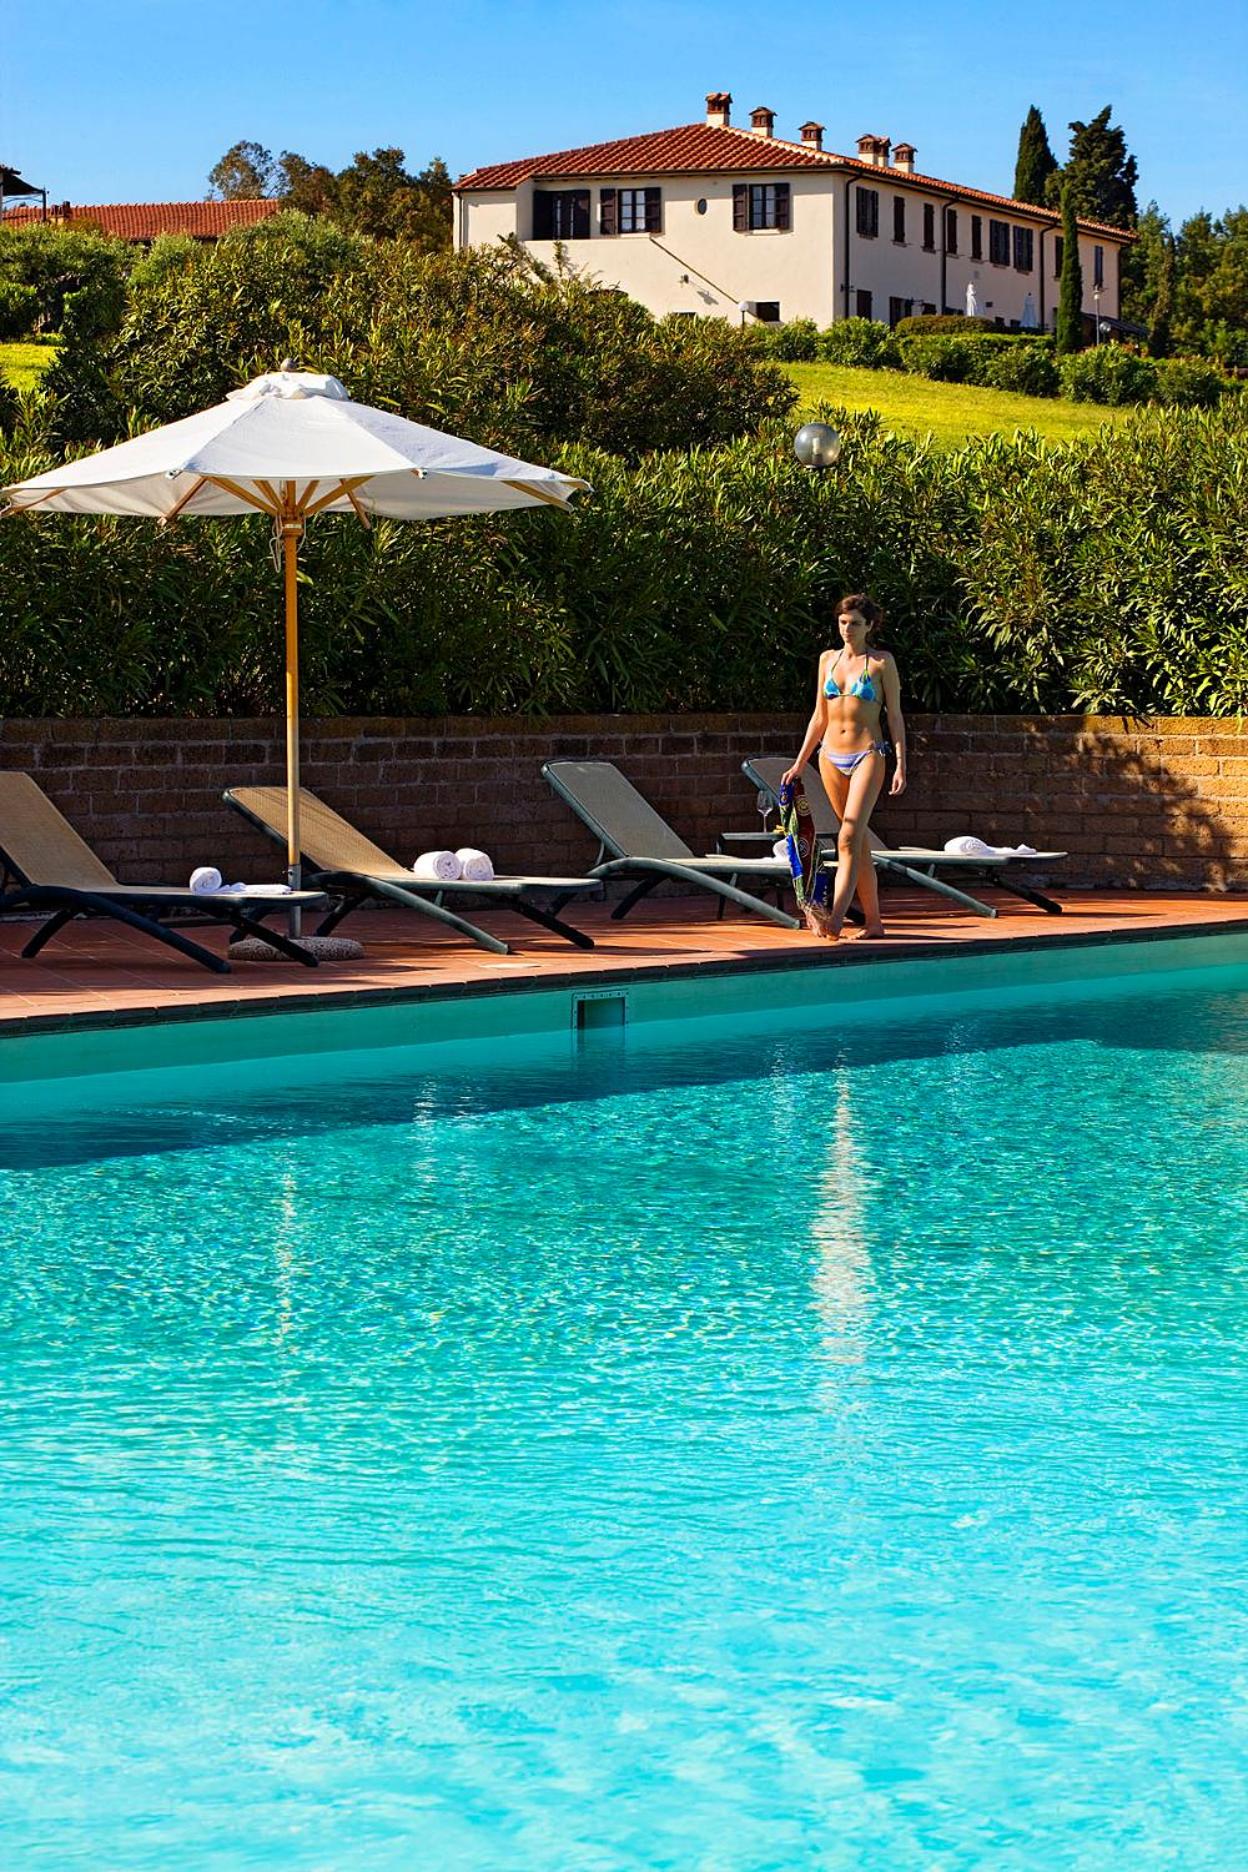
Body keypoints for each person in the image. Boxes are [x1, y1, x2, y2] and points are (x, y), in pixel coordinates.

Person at [781, 594, 907, 939]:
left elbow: (894, 717)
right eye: (842, 622)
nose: (847, 629)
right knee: (856, 841)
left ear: (870, 626)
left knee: (848, 836)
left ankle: (835, 918)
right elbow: (819, 717)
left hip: (868, 753)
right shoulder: (828, 660)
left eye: (855, 623)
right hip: (830, 756)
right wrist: (799, 763)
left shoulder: (881, 662)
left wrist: (901, 764)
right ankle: (874, 922)